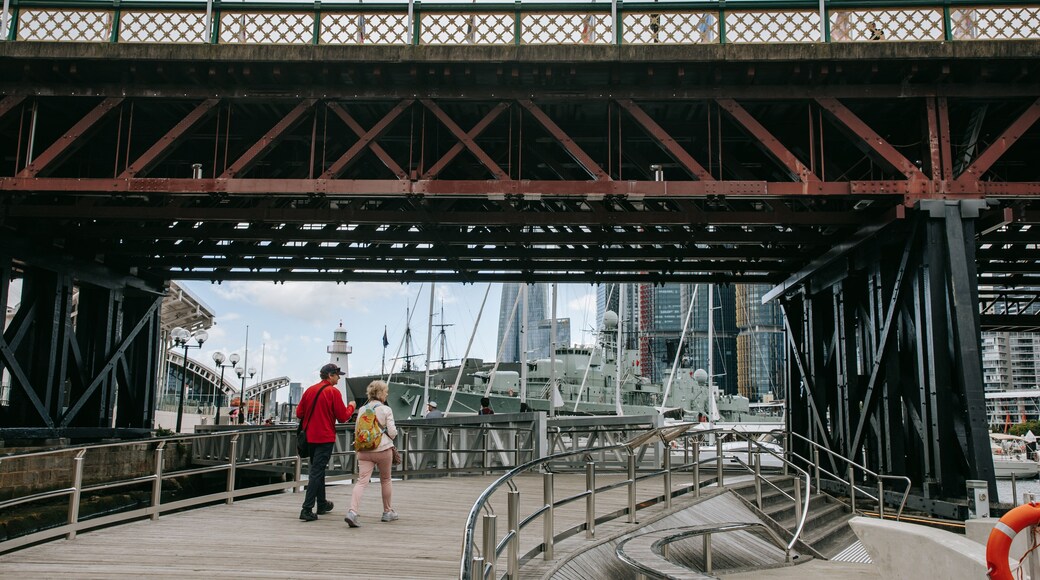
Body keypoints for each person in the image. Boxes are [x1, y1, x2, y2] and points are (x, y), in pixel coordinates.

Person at [296, 363, 356, 522]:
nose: (339, 378)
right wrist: (351, 407)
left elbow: (299, 413)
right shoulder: (333, 392)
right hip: (325, 437)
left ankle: (321, 504)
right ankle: (307, 508)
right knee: (316, 472)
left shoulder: (310, 390)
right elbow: (343, 417)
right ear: (330, 375)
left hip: (310, 437)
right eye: (337, 375)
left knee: (317, 469)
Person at [346, 380, 398, 527]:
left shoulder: (362, 410)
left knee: (362, 481)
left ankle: (352, 512)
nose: (387, 395)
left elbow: (357, 430)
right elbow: (392, 433)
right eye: (386, 392)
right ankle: (387, 512)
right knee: (386, 480)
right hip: (383, 449)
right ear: (381, 394)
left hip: (364, 450)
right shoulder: (386, 409)